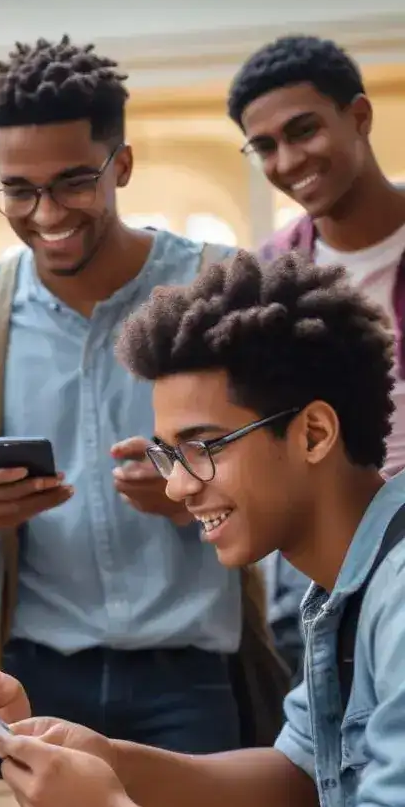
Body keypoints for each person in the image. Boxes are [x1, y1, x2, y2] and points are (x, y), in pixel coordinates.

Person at [0, 34, 246, 778]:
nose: (45, 212)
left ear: (121, 165)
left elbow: (284, 470)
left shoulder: (221, 291)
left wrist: (195, 494)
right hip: (15, 679)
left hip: (188, 679)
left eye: (72, 182)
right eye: (17, 189)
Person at [0, 250, 405, 807]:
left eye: (202, 447)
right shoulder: (348, 586)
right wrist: (111, 761)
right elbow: (297, 774)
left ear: (314, 433)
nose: (177, 487)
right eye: (169, 455)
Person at [230, 34, 405, 680]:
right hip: (326, 577)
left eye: (303, 130)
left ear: (357, 117)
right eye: (264, 147)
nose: (286, 159)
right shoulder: (272, 276)